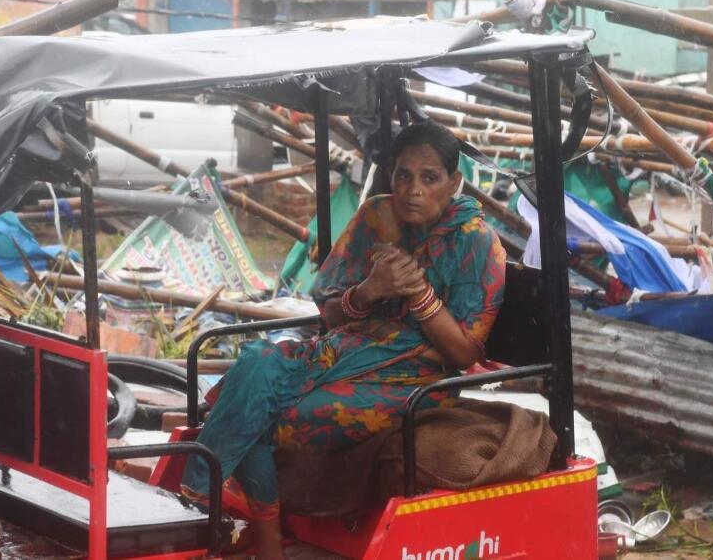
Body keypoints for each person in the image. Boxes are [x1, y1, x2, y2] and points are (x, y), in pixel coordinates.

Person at [182, 121, 506, 559]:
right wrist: (371, 289)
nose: (413, 189)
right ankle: (208, 503)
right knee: (257, 359)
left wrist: (418, 293)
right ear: (390, 174)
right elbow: (330, 311)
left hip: (415, 380)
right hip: (342, 352)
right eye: (403, 175)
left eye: (429, 178)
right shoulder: (377, 215)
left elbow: (464, 353)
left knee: (256, 416)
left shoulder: (477, 242)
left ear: (454, 182)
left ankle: (223, 517)